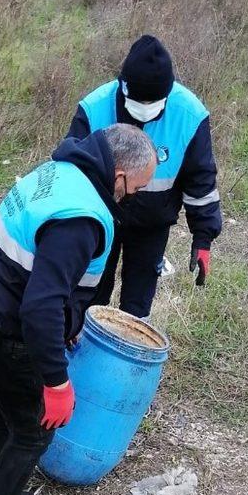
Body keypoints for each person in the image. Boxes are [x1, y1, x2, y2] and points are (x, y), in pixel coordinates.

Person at [0, 124, 156, 495]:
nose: (134, 197)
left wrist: (70, 320)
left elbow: (39, 276)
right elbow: (40, 307)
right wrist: (56, 382)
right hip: (0, 336)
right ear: (119, 174)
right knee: (33, 429)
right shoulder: (81, 220)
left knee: (3, 411)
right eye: (136, 188)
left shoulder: (61, 173)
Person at [67, 35, 222, 318]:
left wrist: (203, 237)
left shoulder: (190, 114)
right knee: (89, 295)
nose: (146, 107)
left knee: (138, 304)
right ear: (123, 87)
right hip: (100, 222)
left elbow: (200, 180)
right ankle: (80, 340)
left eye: (155, 102)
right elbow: (71, 176)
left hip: (153, 224)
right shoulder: (94, 107)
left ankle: (131, 346)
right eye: (139, 101)